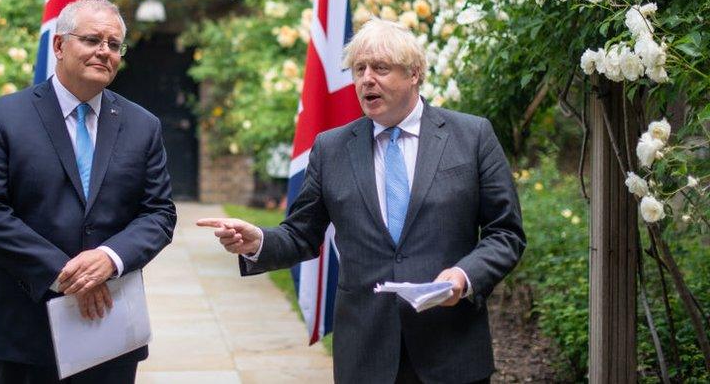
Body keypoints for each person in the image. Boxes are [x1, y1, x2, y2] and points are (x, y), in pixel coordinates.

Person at [197, 19, 525, 384]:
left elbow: (506, 233)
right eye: (359, 69)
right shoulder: (331, 148)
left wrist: (464, 278)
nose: (366, 79)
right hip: (366, 354)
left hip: (451, 348)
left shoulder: (471, 136)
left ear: (414, 73)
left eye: (380, 68)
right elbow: (302, 234)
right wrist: (258, 241)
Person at [0, 0, 176, 383]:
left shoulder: (143, 126)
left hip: (109, 325)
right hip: (24, 327)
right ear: (59, 45)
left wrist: (110, 259)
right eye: (92, 39)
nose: (104, 52)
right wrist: (66, 273)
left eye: (114, 45)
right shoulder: (3, 118)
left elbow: (159, 214)